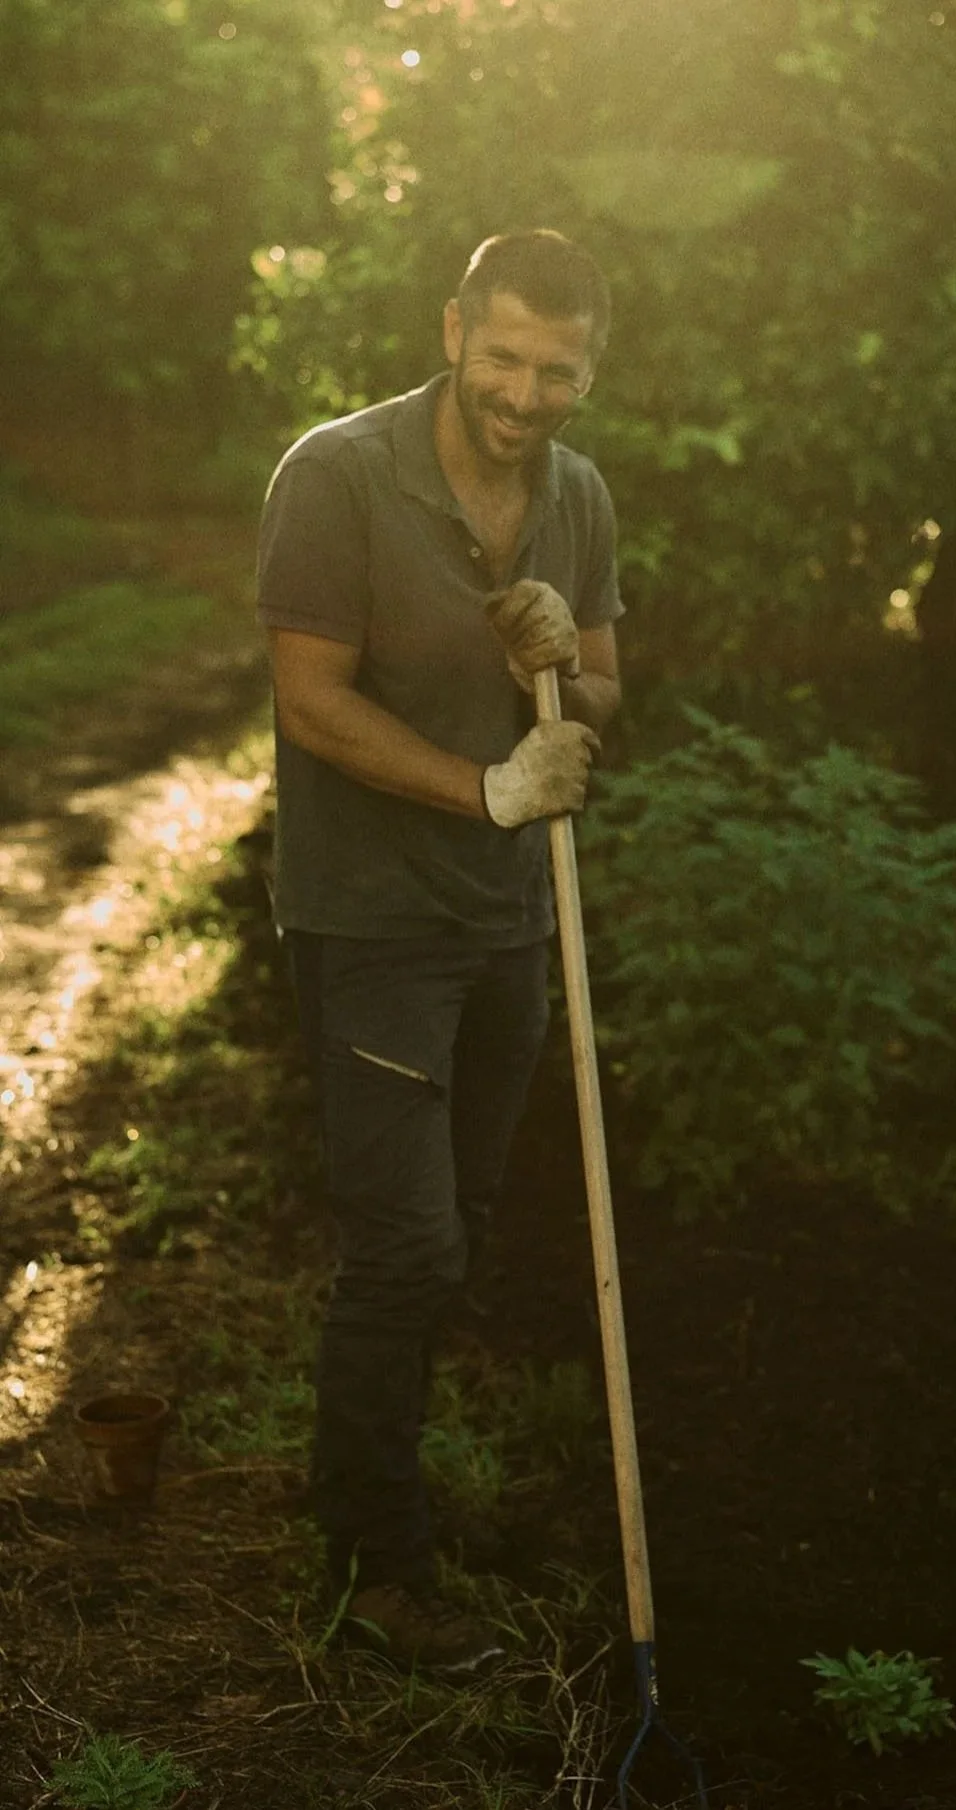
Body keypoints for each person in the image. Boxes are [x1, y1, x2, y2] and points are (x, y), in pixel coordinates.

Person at [256, 230, 622, 1667]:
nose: (526, 395)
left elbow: (607, 701)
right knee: (404, 1244)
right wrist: (484, 789)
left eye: (560, 370)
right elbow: (309, 703)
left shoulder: (577, 497)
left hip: (510, 928)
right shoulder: (335, 475)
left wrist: (564, 671)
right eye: (506, 358)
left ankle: (379, 1487)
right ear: (454, 324)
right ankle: (368, 1561)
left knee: (452, 1228)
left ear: (591, 367)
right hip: (372, 923)